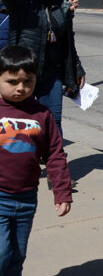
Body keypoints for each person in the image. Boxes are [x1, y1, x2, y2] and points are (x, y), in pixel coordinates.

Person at [0, 45, 72, 276]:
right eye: (12, 82)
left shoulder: (42, 115)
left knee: (17, 255)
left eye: (28, 81)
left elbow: (54, 154)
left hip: (27, 198)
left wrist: (62, 191)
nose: (21, 88)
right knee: (1, 255)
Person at [0, 0, 86, 134]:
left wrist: (77, 68)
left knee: (53, 120)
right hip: (23, 72)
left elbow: (67, 41)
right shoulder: (20, 0)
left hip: (51, 74)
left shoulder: (58, 5)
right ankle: (22, 157)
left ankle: (54, 160)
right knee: (19, 119)